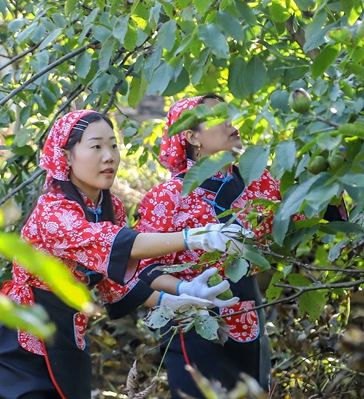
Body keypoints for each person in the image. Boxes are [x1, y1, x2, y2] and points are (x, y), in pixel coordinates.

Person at [0, 109, 249, 399]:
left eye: (113, 145)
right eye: (96, 146)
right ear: (66, 156)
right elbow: (116, 244)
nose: (109, 157)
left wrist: (177, 296)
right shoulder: (53, 212)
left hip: (68, 334)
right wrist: (193, 237)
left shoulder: (110, 208)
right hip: (20, 340)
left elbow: (116, 283)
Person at [134, 94, 346, 398]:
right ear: (192, 136)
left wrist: (333, 167)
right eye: (219, 117)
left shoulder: (259, 180)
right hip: (193, 319)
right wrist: (186, 291)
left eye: (230, 114)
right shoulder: (166, 198)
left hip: (247, 310)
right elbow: (146, 270)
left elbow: (306, 210)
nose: (231, 124)